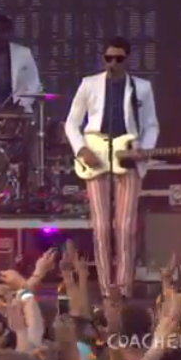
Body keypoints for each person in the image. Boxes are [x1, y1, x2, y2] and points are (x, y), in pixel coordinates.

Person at [63, 37, 159, 297]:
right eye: (108, 58)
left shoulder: (141, 88)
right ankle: (107, 290)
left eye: (118, 59)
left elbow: (151, 124)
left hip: (127, 158)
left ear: (127, 60)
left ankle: (124, 290)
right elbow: (71, 123)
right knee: (102, 227)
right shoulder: (89, 84)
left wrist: (144, 148)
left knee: (125, 227)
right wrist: (81, 149)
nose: (113, 63)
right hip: (96, 156)